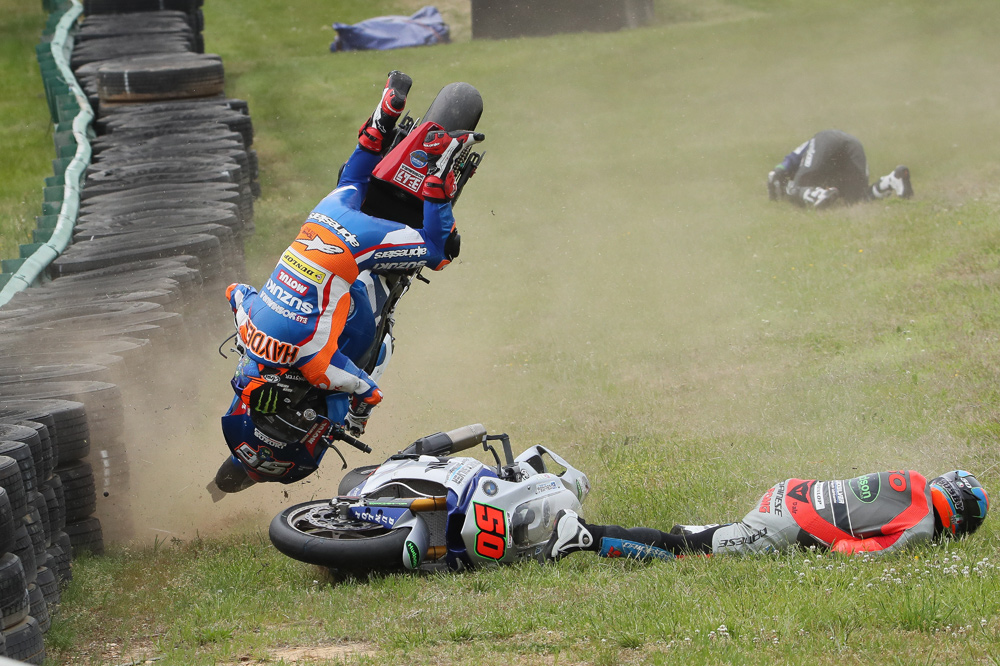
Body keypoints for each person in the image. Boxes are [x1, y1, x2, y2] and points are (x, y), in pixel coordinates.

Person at [225, 70, 484, 437]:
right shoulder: (248, 322)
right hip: (324, 219)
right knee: (350, 180)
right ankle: (381, 121)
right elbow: (235, 291)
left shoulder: (314, 364)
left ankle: (437, 173)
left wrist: (356, 420)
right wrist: (245, 341)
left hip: (355, 244)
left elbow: (368, 391)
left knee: (438, 252)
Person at [542, 469, 988, 562]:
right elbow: (854, 553)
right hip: (787, 524)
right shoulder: (921, 528)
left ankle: (712, 532)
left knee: (720, 536)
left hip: (792, 491)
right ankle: (585, 535)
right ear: (959, 522)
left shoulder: (912, 478)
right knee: (685, 552)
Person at [767, 129, 913, 209]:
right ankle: (892, 179)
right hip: (854, 144)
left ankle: (819, 195)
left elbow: (789, 160)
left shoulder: (800, 160)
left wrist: (779, 170)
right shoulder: (823, 171)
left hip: (826, 139)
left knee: (795, 188)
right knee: (857, 201)